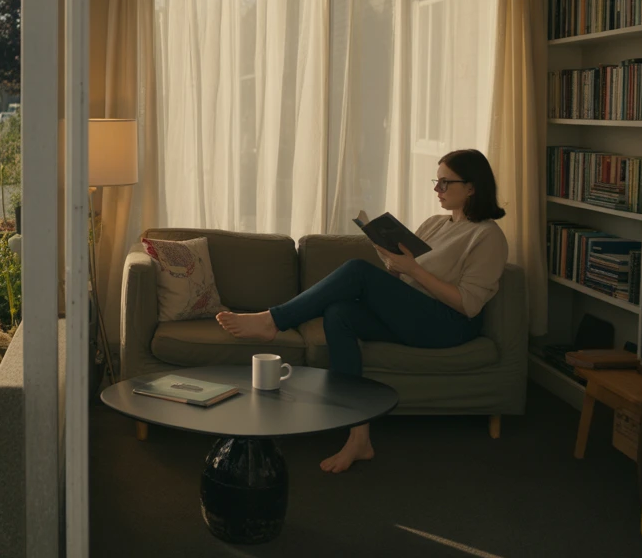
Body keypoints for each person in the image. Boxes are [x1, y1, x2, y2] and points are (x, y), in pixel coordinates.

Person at [216, 149, 508, 473]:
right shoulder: (436, 224)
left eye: (445, 183)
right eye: (435, 182)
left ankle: (273, 320)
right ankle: (359, 437)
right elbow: (410, 277)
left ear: (472, 187)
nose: (437, 190)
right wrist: (395, 266)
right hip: (416, 313)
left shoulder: (488, 236)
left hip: (449, 323)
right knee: (339, 313)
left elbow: (468, 303)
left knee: (356, 270)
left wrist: (413, 269)